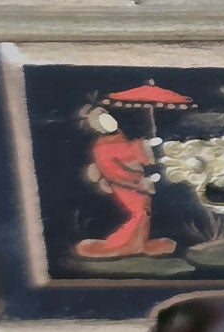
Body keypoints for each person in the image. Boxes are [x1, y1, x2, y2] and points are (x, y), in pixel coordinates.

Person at [73, 106, 175, 260]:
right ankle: (123, 244)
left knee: (144, 212)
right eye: (104, 120)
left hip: (135, 181)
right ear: (98, 126)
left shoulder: (117, 137)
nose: (110, 121)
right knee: (139, 212)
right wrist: (145, 146)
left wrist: (145, 147)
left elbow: (127, 149)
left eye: (108, 117)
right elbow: (126, 154)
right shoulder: (104, 145)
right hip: (125, 184)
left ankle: (140, 242)